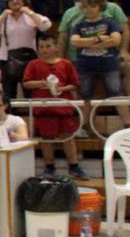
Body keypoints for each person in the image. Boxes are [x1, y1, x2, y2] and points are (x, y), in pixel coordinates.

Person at [18, 35, 89, 176]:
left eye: (48, 46)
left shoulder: (66, 64)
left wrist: (62, 88)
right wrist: (40, 83)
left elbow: (74, 84)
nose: (44, 50)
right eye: (41, 47)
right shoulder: (33, 64)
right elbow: (26, 82)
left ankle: (74, 166)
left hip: (63, 107)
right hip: (43, 108)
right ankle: (49, 166)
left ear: (55, 47)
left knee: (68, 137)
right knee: (46, 139)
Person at [69, 0, 130, 129]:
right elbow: (75, 42)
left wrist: (87, 42)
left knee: (117, 92)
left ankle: (128, 124)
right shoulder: (78, 25)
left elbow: (115, 40)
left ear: (99, 6)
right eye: (85, 7)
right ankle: (84, 126)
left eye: (92, 6)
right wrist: (98, 39)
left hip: (108, 63)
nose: (88, 10)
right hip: (85, 65)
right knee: (85, 95)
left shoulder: (110, 22)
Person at [0, 0, 52, 99]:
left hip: (29, 60)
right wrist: (2, 17)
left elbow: (46, 25)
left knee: (30, 94)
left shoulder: (31, 16)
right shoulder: (3, 19)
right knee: (9, 95)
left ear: (24, 1)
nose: (15, 1)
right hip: (7, 60)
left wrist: (29, 12)